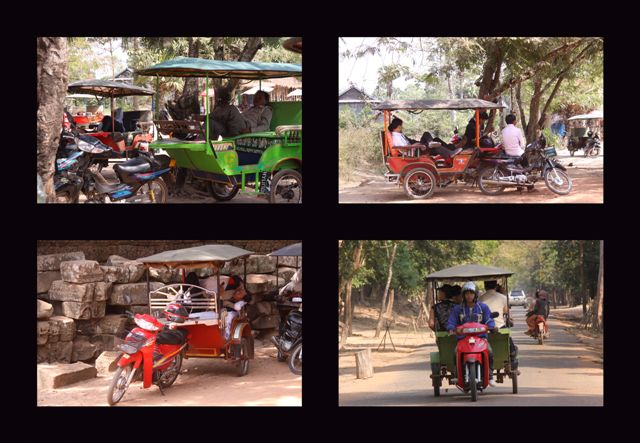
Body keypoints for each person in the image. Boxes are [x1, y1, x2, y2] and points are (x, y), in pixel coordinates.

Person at [447, 281, 498, 386]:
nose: (469, 296)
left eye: (471, 293)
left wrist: (492, 327)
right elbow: (452, 321)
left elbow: (488, 319)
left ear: (475, 294)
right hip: (463, 339)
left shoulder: (483, 307)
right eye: (466, 293)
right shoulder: (457, 309)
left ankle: (490, 376)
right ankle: (457, 374)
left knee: (490, 351)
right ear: (463, 295)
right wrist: (451, 329)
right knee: (455, 352)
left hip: (481, 338)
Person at [479, 280, 518, 369]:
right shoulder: (502, 298)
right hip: (499, 327)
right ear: (496, 286)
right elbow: (506, 312)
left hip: (483, 327)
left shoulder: (480, 299)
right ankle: (512, 353)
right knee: (508, 338)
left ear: (485, 287)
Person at [388, 117, 461, 159]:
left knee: (434, 138)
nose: (402, 127)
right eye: (401, 125)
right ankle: (449, 154)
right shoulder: (396, 137)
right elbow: (403, 149)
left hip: (416, 147)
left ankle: (450, 149)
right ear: (398, 126)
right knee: (436, 146)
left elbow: (408, 142)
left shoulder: (399, 134)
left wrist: (416, 143)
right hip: (414, 151)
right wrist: (415, 145)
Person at [220, 275, 252, 341]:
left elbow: (239, 306)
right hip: (222, 308)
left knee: (228, 317)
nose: (238, 292)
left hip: (231, 311)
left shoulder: (242, 297)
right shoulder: (227, 292)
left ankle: (226, 335)